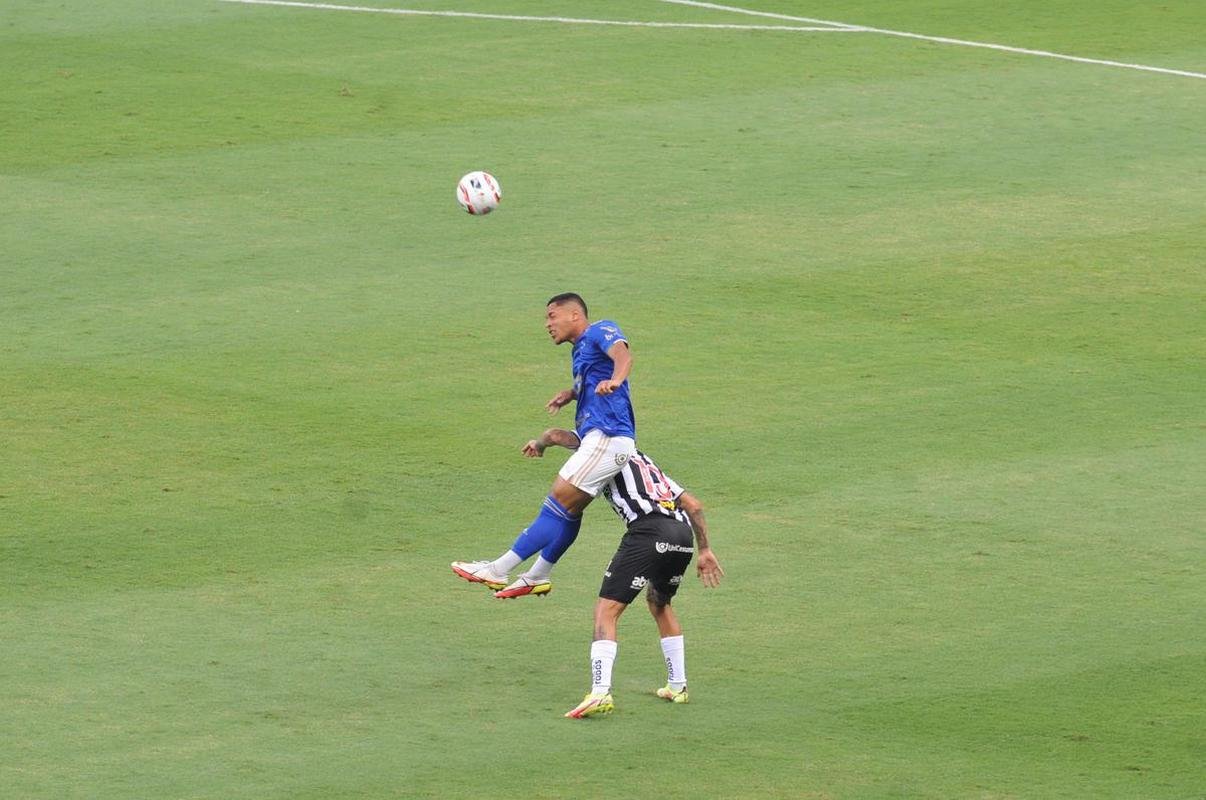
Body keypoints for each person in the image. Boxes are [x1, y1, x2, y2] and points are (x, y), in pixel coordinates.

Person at [451, 293, 637, 599]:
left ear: (575, 315)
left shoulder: (599, 330)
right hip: (601, 438)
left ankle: (497, 569)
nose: (548, 324)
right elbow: (591, 378)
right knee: (570, 510)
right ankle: (538, 574)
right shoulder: (580, 352)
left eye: (552, 316)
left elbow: (622, 356)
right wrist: (571, 394)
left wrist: (616, 380)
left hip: (608, 436)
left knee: (558, 501)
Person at [554, 439, 724, 718]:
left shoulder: (607, 457)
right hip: (682, 536)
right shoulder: (650, 466)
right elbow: (693, 505)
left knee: (606, 611)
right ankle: (678, 686)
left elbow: (566, 438)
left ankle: (599, 692)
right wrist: (704, 549)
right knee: (659, 603)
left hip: (648, 532)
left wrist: (543, 441)